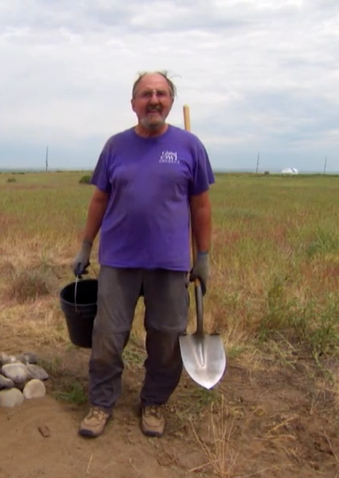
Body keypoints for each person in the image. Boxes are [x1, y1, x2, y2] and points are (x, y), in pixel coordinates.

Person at [71, 70, 214, 438]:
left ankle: (153, 403)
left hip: (169, 264)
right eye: (146, 93)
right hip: (118, 261)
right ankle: (101, 403)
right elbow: (99, 198)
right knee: (107, 336)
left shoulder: (190, 146)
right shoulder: (115, 146)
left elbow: (200, 205)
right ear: (133, 103)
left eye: (162, 93)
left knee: (166, 338)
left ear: (169, 101)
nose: (154, 99)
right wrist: (87, 245)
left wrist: (204, 256)